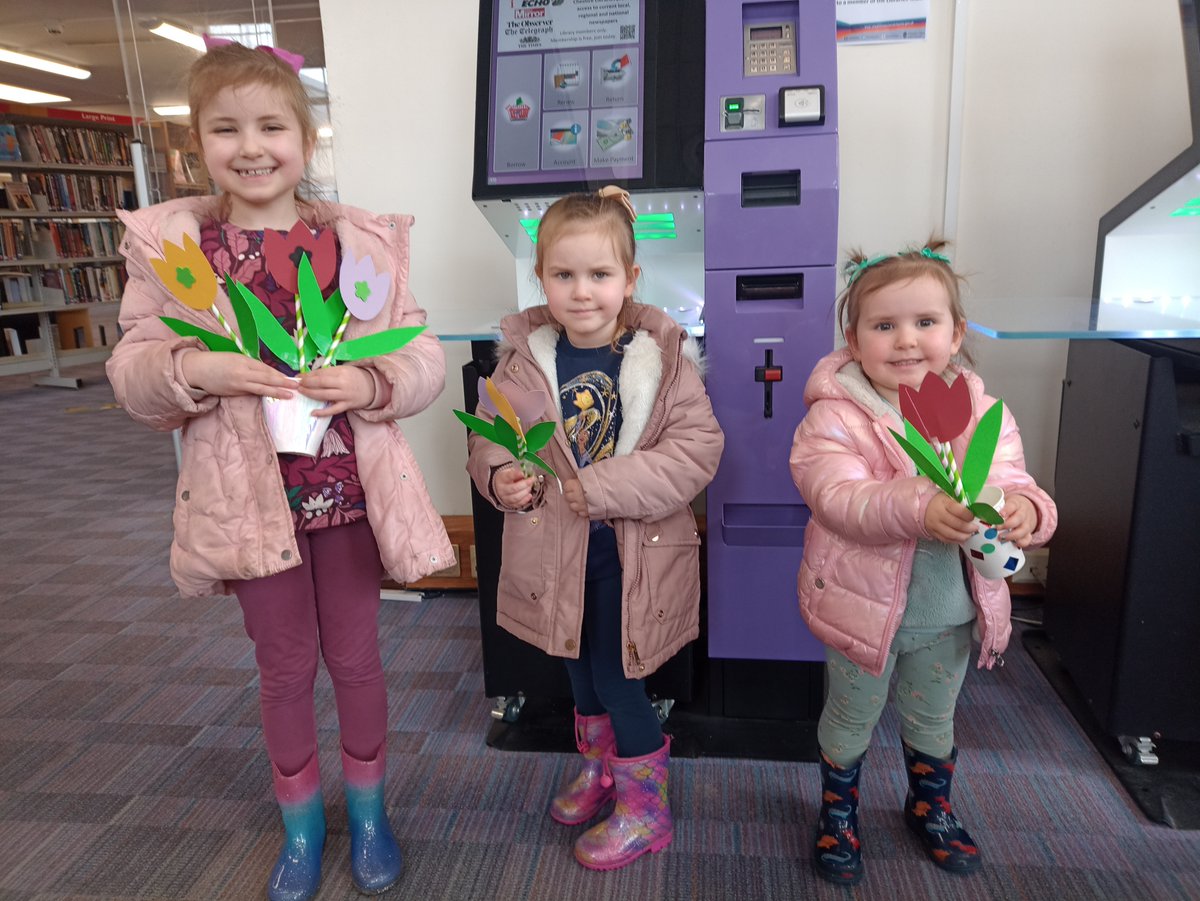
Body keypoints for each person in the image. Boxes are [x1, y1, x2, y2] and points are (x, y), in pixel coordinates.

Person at [106, 40, 452, 901]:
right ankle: (302, 827)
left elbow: (422, 354)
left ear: (306, 136)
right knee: (285, 668)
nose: (251, 146)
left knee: (359, 659)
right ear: (198, 145)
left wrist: (372, 380)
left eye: (271, 125)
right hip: (250, 504)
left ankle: (369, 814)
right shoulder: (175, 248)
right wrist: (194, 370)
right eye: (226, 129)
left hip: (347, 498)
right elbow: (133, 369)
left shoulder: (356, 241)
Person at [465, 186, 723, 871]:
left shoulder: (664, 361)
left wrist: (597, 487)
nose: (582, 292)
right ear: (541, 276)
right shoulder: (524, 359)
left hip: (632, 553)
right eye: (564, 275)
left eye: (600, 274)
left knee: (616, 676)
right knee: (577, 667)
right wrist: (501, 478)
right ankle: (602, 768)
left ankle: (646, 810)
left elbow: (696, 454)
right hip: (557, 553)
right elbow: (493, 444)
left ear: (629, 279)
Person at [789, 242, 1057, 886]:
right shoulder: (835, 418)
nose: (906, 341)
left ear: (956, 333)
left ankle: (929, 806)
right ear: (853, 341)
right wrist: (919, 504)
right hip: (862, 610)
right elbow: (836, 498)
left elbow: (1012, 479)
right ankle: (838, 810)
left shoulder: (983, 414)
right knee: (850, 718)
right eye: (885, 326)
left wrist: (1026, 510)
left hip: (949, 614)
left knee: (933, 716)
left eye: (925, 323)